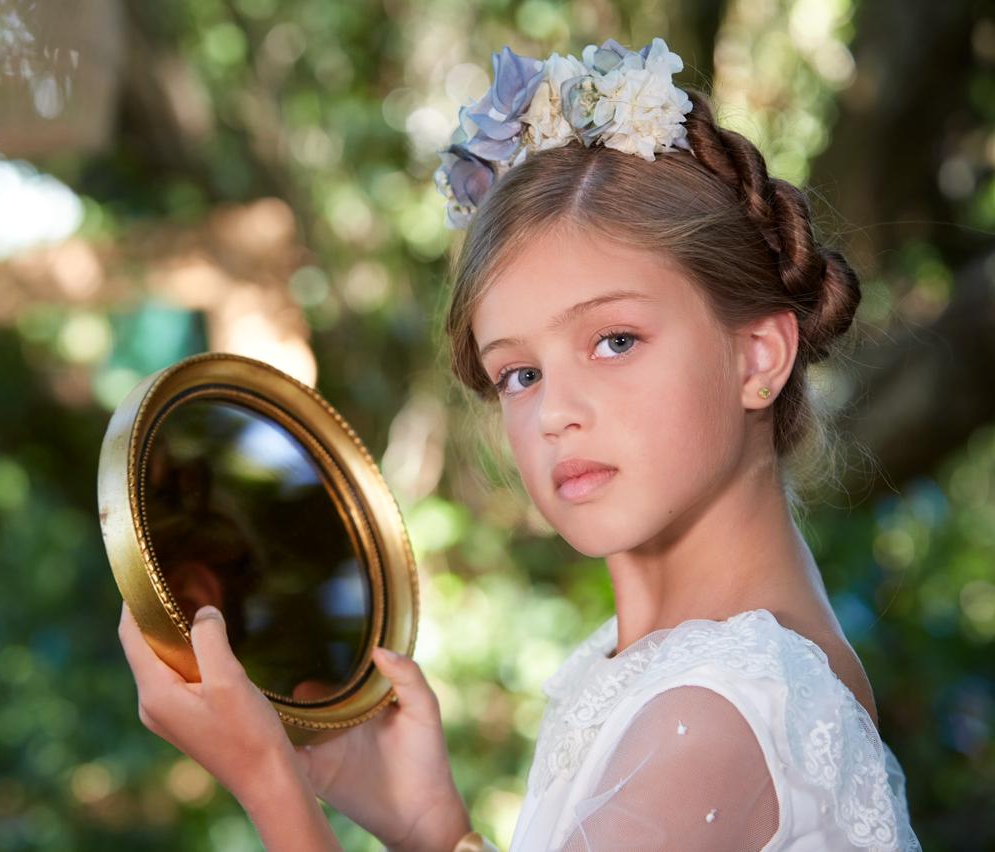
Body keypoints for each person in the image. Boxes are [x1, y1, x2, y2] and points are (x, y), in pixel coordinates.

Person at [115, 35, 922, 851]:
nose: (554, 414)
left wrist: (269, 782)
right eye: (520, 374)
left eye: (614, 341)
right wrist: (434, 831)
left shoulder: (719, 718)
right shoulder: (645, 671)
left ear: (759, 357)